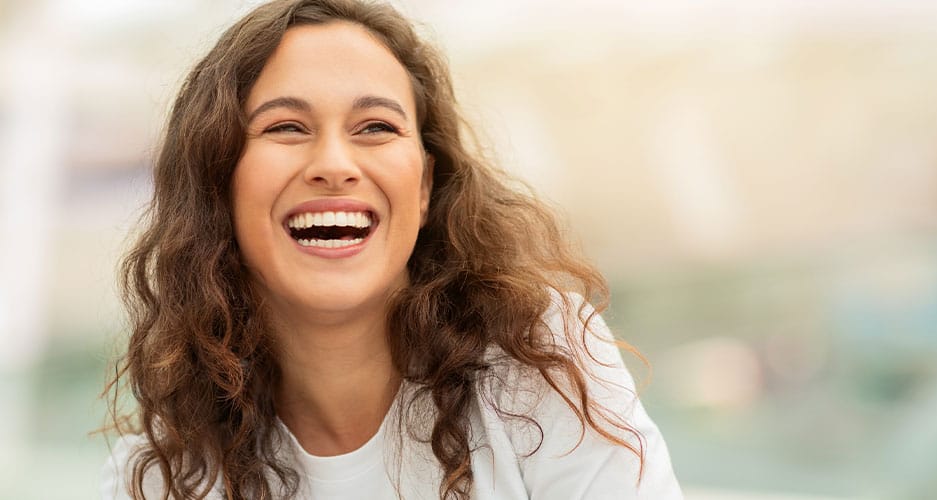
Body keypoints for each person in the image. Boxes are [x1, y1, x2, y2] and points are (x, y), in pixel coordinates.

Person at [100, 0, 683, 498]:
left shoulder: (541, 362)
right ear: (217, 183)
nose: (333, 165)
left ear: (425, 187)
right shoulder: (159, 477)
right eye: (286, 128)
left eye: (376, 127)